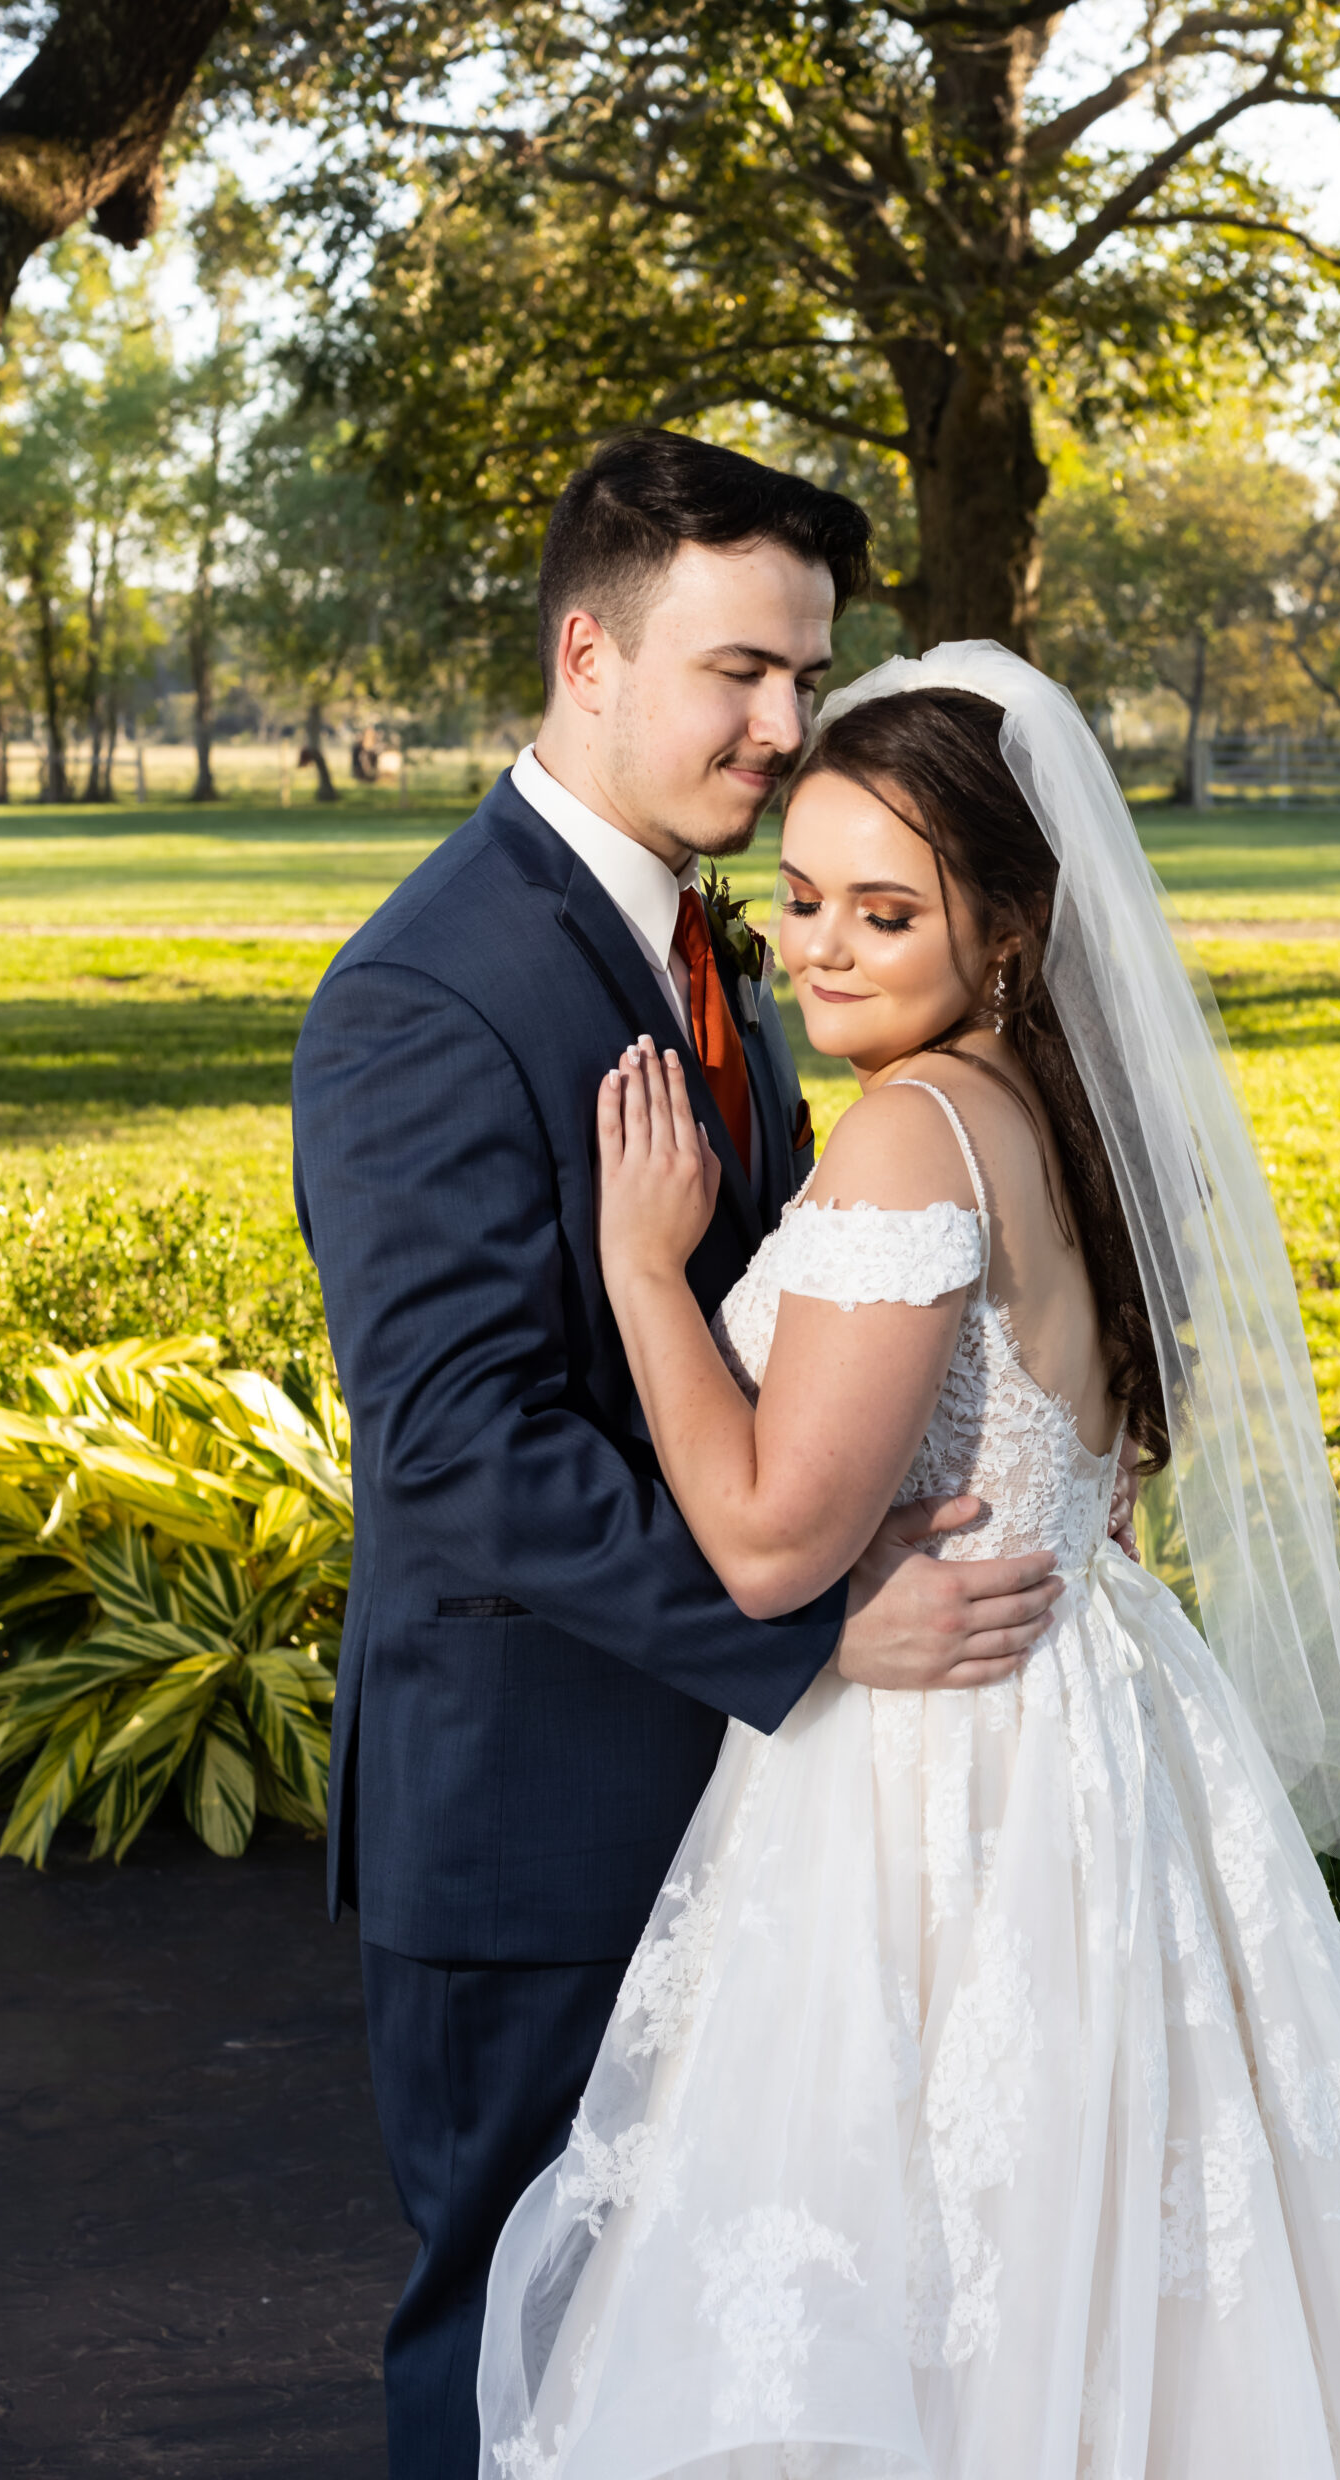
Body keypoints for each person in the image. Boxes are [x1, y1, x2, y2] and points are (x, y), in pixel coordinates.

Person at [475, 648, 1340, 2479]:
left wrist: (638, 1271)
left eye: (886, 909)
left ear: (1007, 927)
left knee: (927, 2291)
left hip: (944, 1779)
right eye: (803, 898)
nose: (826, 948)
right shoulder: (1054, 1110)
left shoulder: (908, 1137)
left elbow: (772, 1544)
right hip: (1088, 1721)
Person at [290, 438, 1082, 2480]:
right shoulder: (422, 992)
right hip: (537, 1805)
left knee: (722, 2358)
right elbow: (457, 1448)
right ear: (587, 648)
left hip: (746, 1815)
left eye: (804, 675)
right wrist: (817, 1617)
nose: (782, 723)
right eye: (739, 670)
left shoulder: (722, 946)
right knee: (522, 2348)